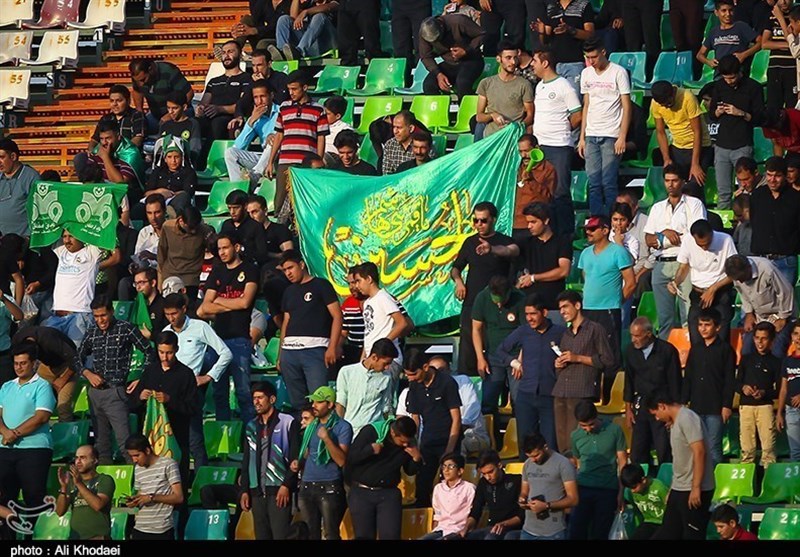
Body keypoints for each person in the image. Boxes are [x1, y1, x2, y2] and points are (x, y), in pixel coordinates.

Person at [78, 296, 153, 464]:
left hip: (116, 391)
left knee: (125, 443)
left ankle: (138, 477)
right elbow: (77, 358)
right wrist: (87, 373)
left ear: (111, 312)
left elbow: (149, 351)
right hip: (95, 393)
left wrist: (141, 378)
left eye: (103, 315)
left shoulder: (125, 328)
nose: (100, 320)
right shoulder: (92, 332)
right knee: (101, 446)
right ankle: (105, 479)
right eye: (96, 316)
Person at [162, 293, 231, 468]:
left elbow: (226, 353)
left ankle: (202, 480)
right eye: (167, 314)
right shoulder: (166, 332)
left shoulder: (200, 327)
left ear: (184, 309)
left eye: (174, 313)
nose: (171, 318)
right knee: (174, 442)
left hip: (191, 391)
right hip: (170, 392)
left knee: (194, 440)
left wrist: (208, 376)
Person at [197, 232, 259, 423]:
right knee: (219, 393)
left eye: (225, 248)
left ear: (236, 247)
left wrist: (219, 300)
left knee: (243, 393)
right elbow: (204, 308)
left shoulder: (249, 270)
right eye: (219, 249)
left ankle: (250, 435)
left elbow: (245, 302)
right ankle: (224, 434)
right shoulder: (217, 271)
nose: (222, 252)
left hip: (240, 339)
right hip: (218, 340)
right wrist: (234, 303)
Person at [451, 201, 519, 376]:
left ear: (493, 220)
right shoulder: (469, 242)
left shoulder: (504, 241)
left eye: (483, 220)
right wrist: (458, 281)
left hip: (498, 304)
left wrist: (492, 249)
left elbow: (512, 251)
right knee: (468, 349)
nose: (479, 224)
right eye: (476, 220)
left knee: (497, 348)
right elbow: (456, 268)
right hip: (472, 302)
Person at [643, 165, 707, 340]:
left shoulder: (694, 204)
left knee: (688, 318)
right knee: (664, 320)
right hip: (661, 265)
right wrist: (665, 233)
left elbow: (696, 235)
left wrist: (662, 239)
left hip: (685, 263)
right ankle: (666, 353)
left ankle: (690, 353)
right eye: (667, 181)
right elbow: (648, 239)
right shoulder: (657, 207)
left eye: (674, 181)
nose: (670, 185)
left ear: (683, 182)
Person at [497, 293, 565, 454]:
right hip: (526, 396)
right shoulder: (523, 331)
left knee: (550, 444)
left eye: (533, 314)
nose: (529, 318)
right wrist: (514, 362)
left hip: (550, 395)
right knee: (525, 445)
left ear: (544, 312)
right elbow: (500, 350)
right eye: (527, 314)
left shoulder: (560, 332)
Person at [277, 249, 342, 413]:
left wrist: (332, 347)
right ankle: (303, 428)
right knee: (297, 403)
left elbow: (337, 316)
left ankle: (324, 429)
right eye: (284, 270)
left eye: (290, 268)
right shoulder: (288, 291)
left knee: (320, 399)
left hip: (315, 350)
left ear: (301, 265)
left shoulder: (321, 285)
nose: (288, 273)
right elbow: (286, 322)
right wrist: (280, 355)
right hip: (290, 352)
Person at [578, 214, 635, 398]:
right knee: (589, 351)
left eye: (592, 229)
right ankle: (592, 394)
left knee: (609, 353)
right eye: (587, 229)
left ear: (605, 230)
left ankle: (610, 396)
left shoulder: (618, 252)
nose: (588, 232)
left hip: (608, 311)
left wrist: (616, 302)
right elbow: (586, 278)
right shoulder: (585, 253)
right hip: (588, 310)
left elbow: (631, 283)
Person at [645, 390, 716, 540]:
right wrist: (673, 488)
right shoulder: (675, 422)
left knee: (692, 534)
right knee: (667, 532)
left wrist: (696, 487)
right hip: (680, 487)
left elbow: (699, 452)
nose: (657, 418)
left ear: (662, 406)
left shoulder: (687, 418)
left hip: (693, 489)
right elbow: (680, 459)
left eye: (656, 414)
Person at [552, 289, 614, 453]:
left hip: (582, 390)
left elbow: (607, 360)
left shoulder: (595, 329)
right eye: (560, 308)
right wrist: (559, 364)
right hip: (560, 390)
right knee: (562, 441)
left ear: (578, 305)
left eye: (565, 306)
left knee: (577, 441)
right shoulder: (566, 334)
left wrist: (578, 358)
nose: (562, 311)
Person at [134, 330, 198, 487]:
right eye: (161, 352)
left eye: (169, 353)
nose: (165, 357)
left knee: (177, 480)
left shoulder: (186, 374)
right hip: (152, 436)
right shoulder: (150, 371)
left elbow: (193, 408)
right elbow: (133, 404)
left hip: (176, 436)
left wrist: (170, 400)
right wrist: (140, 397)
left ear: (176, 349)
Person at [0, 342, 55, 518]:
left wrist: (14, 433)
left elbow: (41, 417)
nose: (19, 367)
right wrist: (5, 432)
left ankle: (35, 533)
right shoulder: (6, 386)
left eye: (23, 363)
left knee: (34, 496)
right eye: (16, 363)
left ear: (34, 363)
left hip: (34, 449)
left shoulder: (42, 385)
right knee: (4, 497)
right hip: (5, 448)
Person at [530, 49, 582, 234]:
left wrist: (563, 129)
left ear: (545, 63)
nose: (532, 64)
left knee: (560, 191)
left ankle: (566, 233)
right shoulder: (539, 86)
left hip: (559, 146)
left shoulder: (564, 86)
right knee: (543, 191)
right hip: (541, 146)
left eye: (535, 61)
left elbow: (577, 114)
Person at [578, 37, 631, 217]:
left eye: (593, 57)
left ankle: (611, 222)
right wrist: (582, 137)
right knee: (594, 183)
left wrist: (622, 136)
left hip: (611, 134)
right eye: (587, 57)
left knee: (608, 183)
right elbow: (586, 105)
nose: (591, 61)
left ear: (603, 52)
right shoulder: (586, 73)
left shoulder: (618, 72)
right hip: (591, 134)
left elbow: (626, 106)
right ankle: (596, 223)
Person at [344, 416, 422, 540]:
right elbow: (351, 458)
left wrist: (416, 459)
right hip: (362, 492)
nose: (405, 444)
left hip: (388, 493)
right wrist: (369, 450)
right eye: (402, 441)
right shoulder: (371, 431)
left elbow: (409, 471)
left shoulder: (410, 443)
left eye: (408, 441)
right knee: (363, 536)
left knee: (391, 535)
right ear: (393, 432)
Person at [240, 381, 300, 540]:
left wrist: (286, 485)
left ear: (272, 399)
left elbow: (295, 458)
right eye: (254, 398)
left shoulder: (288, 422)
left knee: (281, 536)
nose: (256, 402)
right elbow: (247, 460)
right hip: (257, 492)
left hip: (279, 491)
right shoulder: (251, 426)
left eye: (260, 398)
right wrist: (245, 490)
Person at [266, 71, 329, 220]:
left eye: (294, 89)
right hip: (285, 161)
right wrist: (270, 162)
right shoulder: (284, 107)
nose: (291, 93)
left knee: (304, 200)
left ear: (305, 87)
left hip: (306, 162)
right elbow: (279, 135)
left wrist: (318, 161)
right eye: (289, 89)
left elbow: (321, 137)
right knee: (280, 201)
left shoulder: (318, 110)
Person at [404, 349, 462, 508]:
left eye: (413, 374)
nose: (410, 378)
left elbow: (456, 418)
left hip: (448, 440)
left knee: (449, 485)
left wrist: (449, 450)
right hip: (428, 441)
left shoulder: (447, 383)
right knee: (423, 483)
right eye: (407, 375)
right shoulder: (414, 386)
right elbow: (415, 418)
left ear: (425, 367)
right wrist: (413, 443)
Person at [43, 230, 120, 347]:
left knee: (77, 354)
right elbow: (50, 229)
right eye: (64, 236)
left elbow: (107, 237)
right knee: (49, 351)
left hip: (79, 316)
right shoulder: (61, 251)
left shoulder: (91, 252)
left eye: (71, 236)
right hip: (56, 317)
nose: (67, 240)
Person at [681, 308, 736, 467]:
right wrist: (683, 402)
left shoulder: (726, 350)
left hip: (715, 408)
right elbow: (688, 377)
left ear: (717, 327)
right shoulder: (695, 349)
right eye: (700, 325)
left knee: (713, 448)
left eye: (707, 325)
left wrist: (726, 405)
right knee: (696, 447)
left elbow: (729, 380)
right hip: (696, 407)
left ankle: (714, 480)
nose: (703, 329)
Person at [624, 317, 682, 466]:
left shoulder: (667, 351)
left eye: (637, 336)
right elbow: (628, 381)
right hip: (641, 405)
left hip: (662, 406)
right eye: (631, 335)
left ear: (648, 334)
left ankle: (665, 478)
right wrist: (628, 409)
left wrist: (673, 414)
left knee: (664, 450)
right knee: (638, 451)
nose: (633, 339)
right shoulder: (630, 351)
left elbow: (675, 382)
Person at [296, 385, 352, 540]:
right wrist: (298, 462)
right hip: (307, 485)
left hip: (329, 487)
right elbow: (308, 454)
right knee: (309, 534)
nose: (314, 405)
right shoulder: (311, 426)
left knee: (331, 534)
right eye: (313, 401)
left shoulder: (342, 427)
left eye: (319, 402)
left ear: (330, 404)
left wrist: (327, 439)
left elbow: (341, 460)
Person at [710, 55, 765, 209]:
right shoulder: (719, 86)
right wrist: (718, 112)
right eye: (726, 78)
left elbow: (760, 117)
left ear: (740, 72)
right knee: (723, 193)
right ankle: (724, 220)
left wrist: (741, 113)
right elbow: (711, 115)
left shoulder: (753, 87)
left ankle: (747, 217)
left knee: (746, 190)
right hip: (722, 145)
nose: (729, 81)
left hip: (742, 144)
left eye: (732, 78)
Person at [670, 220, 738, 346]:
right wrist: (675, 282)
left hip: (721, 293)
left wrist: (713, 289)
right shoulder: (688, 241)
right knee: (696, 337)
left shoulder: (725, 240)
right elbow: (684, 267)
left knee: (721, 340)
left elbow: (734, 272)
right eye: (700, 245)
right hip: (698, 293)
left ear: (712, 234)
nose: (704, 248)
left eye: (707, 243)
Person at [568, 400, 627, 540]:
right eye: (583, 426)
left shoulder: (614, 430)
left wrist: (621, 492)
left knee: (601, 532)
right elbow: (578, 462)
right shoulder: (575, 436)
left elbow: (622, 462)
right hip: (583, 489)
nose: (588, 429)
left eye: (591, 424)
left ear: (596, 417)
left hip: (607, 489)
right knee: (576, 530)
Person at [472, 275, 525, 416]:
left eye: (502, 301)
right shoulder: (482, 297)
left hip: (515, 355)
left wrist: (521, 360)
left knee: (519, 400)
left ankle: (519, 429)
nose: (499, 305)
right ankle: (490, 430)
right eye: (496, 302)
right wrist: (480, 358)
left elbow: (527, 331)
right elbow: (476, 329)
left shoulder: (520, 298)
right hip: (493, 356)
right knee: (488, 400)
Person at [725, 254, 795, 357]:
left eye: (741, 278)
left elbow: (786, 291)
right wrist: (749, 313)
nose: (740, 281)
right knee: (747, 349)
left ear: (749, 268)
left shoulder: (767, 269)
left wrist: (783, 317)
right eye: (737, 279)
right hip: (758, 316)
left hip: (779, 314)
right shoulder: (737, 276)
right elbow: (743, 294)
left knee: (777, 350)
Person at [352, 261, 412, 375]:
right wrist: (363, 358)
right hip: (372, 359)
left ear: (369, 279)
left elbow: (402, 323)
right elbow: (369, 331)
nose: (357, 286)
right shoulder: (367, 302)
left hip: (386, 359)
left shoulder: (383, 297)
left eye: (358, 281)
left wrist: (383, 345)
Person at [749, 156, 800, 286]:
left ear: (785, 176)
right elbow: (754, 222)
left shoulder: (796, 198)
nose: (772, 180)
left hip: (786, 261)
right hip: (760, 260)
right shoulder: (757, 195)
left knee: (784, 299)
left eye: (777, 176)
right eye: (769, 175)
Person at [737, 321, 782, 467]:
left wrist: (764, 393)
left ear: (771, 341)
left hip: (765, 407)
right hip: (746, 406)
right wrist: (743, 388)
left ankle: (769, 479)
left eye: (764, 338)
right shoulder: (746, 359)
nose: (760, 342)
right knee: (747, 450)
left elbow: (779, 390)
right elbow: (736, 383)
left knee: (768, 450)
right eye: (757, 338)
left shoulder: (776, 362)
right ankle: (747, 479)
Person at [518, 432, 579, 540]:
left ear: (545, 447)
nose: (533, 460)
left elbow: (573, 499)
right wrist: (522, 500)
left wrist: (546, 506)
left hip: (553, 531)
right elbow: (524, 492)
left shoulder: (563, 464)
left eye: (536, 455)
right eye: (530, 456)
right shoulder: (527, 464)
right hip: (528, 530)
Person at [514, 202, 572, 317]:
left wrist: (533, 278)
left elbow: (564, 271)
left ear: (546, 221)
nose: (529, 226)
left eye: (533, 222)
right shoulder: (525, 243)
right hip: (528, 310)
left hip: (553, 307)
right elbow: (509, 250)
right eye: (528, 222)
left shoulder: (562, 242)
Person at [11, 326, 79, 423]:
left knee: (63, 405)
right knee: (31, 398)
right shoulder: (17, 340)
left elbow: (77, 360)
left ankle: (65, 430)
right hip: (47, 365)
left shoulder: (49, 339)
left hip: (68, 365)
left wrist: (63, 379)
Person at [650, 82, 713, 185]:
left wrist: (695, 164)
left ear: (672, 94)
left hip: (700, 147)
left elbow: (697, 131)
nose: (666, 107)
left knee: (694, 184)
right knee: (675, 184)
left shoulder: (687, 98)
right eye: (663, 105)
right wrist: (666, 158)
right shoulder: (655, 103)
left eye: (668, 103)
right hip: (678, 147)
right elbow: (660, 132)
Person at [125, 434, 184, 540]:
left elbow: (179, 497)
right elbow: (141, 493)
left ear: (147, 451)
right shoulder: (138, 469)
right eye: (131, 456)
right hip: (139, 528)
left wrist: (152, 497)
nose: (134, 460)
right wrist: (135, 501)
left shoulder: (168, 464)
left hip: (161, 529)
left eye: (137, 455)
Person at [428, 356, 489, 456]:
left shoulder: (463, 381)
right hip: (443, 436)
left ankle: (455, 466)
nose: (438, 373)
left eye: (442, 370)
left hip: (473, 435)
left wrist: (454, 432)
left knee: (457, 445)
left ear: (449, 369)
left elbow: (472, 409)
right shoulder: (429, 389)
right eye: (434, 370)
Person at [475, 41, 534, 139]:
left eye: (515, 58)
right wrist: (492, 115)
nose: (513, 62)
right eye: (508, 58)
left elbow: (530, 115)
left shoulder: (524, 84)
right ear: (499, 59)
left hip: (513, 138)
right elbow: (479, 117)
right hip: (491, 138)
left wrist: (517, 127)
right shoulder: (486, 83)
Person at [196, 41, 251, 145]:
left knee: (217, 123)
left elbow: (243, 104)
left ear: (239, 54)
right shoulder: (214, 81)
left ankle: (210, 155)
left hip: (231, 117)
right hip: (210, 116)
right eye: (224, 53)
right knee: (192, 123)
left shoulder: (246, 79)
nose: (226, 56)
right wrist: (201, 109)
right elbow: (204, 103)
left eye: (230, 52)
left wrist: (219, 109)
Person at [224, 80, 279, 183]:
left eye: (262, 96)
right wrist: (251, 121)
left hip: (279, 158)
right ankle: (238, 186)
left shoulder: (282, 112)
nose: (259, 101)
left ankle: (256, 174)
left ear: (271, 95)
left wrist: (273, 136)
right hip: (263, 159)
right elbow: (238, 146)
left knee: (274, 140)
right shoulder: (255, 118)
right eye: (256, 97)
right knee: (230, 152)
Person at [419, 15, 485, 100]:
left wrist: (466, 50)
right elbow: (426, 56)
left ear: (441, 26)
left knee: (462, 83)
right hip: (449, 63)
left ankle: (466, 107)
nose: (438, 42)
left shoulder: (459, 21)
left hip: (472, 60)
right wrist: (438, 74)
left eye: (438, 38)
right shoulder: (424, 33)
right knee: (429, 85)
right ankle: (439, 107)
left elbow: (482, 34)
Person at [55, 445, 114, 540]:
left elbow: (98, 505)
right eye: (76, 458)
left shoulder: (104, 479)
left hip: (97, 538)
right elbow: (59, 512)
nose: (78, 461)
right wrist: (63, 488)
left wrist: (79, 483)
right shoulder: (72, 482)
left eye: (83, 458)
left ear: (95, 460)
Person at [537, 0, 595, 94]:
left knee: (573, 99)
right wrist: (541, 32)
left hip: (575, 63)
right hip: (555, 65)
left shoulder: (584, 5)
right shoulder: (551, 7)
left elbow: (590, 35)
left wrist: (570, 30)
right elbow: (545, 41)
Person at [464, 450, 524, 540]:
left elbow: (522, 514)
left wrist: (504, 524)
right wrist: (466, 528)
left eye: (490, 472)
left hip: (514, 527)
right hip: (493, 528)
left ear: (499, 465)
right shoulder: (483, 483)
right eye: (484, 474)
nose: (488, 477)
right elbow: (476, 509)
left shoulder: (516, 481)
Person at [157, 205, 213, 302]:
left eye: (196, 227)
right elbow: (161, 254)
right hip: (170, 275)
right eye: (191, 228)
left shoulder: (204, 231)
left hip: (191, 278)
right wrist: (160, 280)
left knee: (188, 306)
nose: (194, 231)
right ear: (181, 221)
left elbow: (214, 251)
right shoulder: (167, 227)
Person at [419, 452, 475, 540]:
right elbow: (437, 514)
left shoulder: (469, 488)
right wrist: (433, 532)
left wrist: (465, 531)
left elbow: (473, 513)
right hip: (441, 529)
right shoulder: (438, 488)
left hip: (459, 531)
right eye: (444, 466)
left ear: (460, 471)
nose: (446, 470)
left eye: (451, 466)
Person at [697, 0, 760, 77]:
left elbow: (760, 42)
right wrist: (708, 62)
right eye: (724, 11)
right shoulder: (714, 32)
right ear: (716, 12)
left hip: (737, 73)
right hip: (720, 74)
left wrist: (744, 55)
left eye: (730, 10)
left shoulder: (741, 26)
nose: (728, 14)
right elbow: (700, 55)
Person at [129, 59, 193, 133]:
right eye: (138, 81)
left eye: (143, 80)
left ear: (150, 70)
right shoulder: (138, 78)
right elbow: (137, 91)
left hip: (179, 114)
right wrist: (140, 112)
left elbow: (189, 93)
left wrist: (170, 115)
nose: (141, 84)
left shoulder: (169, 71)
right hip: (156, 115)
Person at [513, 137, 558, 241]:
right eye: (520, 152)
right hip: (515, 224)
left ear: (536, 148)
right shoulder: (517, 167)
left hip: (534, 225)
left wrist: (532, 181)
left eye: (527, 151)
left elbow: (547, 197)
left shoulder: (548, 169)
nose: (523, 155)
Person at [0, 137, 40, 237]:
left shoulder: (31, 177)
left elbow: (38, 210)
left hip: (22, 239)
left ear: (13, 156)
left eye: (1, 157)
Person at [144, 139, 196, 216]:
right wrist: (159, 192)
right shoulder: (158, 171)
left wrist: (170, 194)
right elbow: (147, 192)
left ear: (182, 158)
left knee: (182, 200)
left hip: (176, 200)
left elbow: (188, 192)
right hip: (155, 201)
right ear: (165, 159)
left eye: (176, 157)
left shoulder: (188, 172)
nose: (173, 160)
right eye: (169, 157)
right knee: (138, 208)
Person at [761, 0, 796, 115]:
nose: (784, 2)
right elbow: (764, 44)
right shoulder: (770, 16)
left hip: (792, 67)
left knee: (792, 107)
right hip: (775, 67)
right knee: (773, 107)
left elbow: (793, 41)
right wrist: (789, 45)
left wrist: (780, 19)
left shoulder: (796, 15)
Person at [272, 0, 338, 61]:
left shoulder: (334, 2)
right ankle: (283, 53)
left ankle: (299, 51)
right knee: (284, 19)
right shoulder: (309, 4)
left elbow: (330, 7)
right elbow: (294, 18)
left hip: (328, 45)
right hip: (312, 46)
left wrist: (306, 12)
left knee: (319, 16)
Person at [220, 190, 270, 268]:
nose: (232, 212)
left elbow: (262, 255)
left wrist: (243, 249)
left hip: (249, 267)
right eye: (229, 208)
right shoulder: (227, 225)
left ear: (245, 206)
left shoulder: (256, 226)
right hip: (228, 268)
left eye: (236, 208)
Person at [619, 463, 668, 540]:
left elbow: (672, 507)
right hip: (648, 522)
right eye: (630, 488)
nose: (632, 491)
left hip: (664, 523)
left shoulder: (658, 488)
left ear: (643, 480)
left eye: (634, 487)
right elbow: (637, 511)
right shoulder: (631, 493)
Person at [88, 84, 145, 151]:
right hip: (106, 153)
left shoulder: (136, 116)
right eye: (112, 101)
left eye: (119, 101)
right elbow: (94, 140)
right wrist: (91, 150)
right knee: (81, 156)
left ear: (128, 101)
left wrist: (120, 152)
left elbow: (138, 139)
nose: (115, 104)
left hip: (128, 154)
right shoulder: (105, 118)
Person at [777, 322, 800, 461]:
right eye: (796, 334)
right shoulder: (787, 361)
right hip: (791, 410)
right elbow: (783, 388)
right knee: (795, 452)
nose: (799, 338)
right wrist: (779, 413)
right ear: (791, 336)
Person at [158, 92, 201, 164]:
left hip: (185, 165)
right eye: (168, 108)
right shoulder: (165, 125)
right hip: (165, 165)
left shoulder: (192, 124)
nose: (170, 112)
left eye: (175, 108)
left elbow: (195, 150)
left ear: (184, 107)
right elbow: (159, 148)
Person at [132, 267, 166, 341]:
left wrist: (151, 336)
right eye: (136, 283)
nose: (138, 287)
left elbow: (169, 333)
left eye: (141, 283)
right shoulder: (136, 305)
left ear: (153, 283)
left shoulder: (164, 305)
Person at [381, 110, 417, 175]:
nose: (395, 131)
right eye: (394, 127)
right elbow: (386, 174)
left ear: (411, 128)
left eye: (399, 127)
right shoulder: (390, 145)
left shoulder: (421, 145)